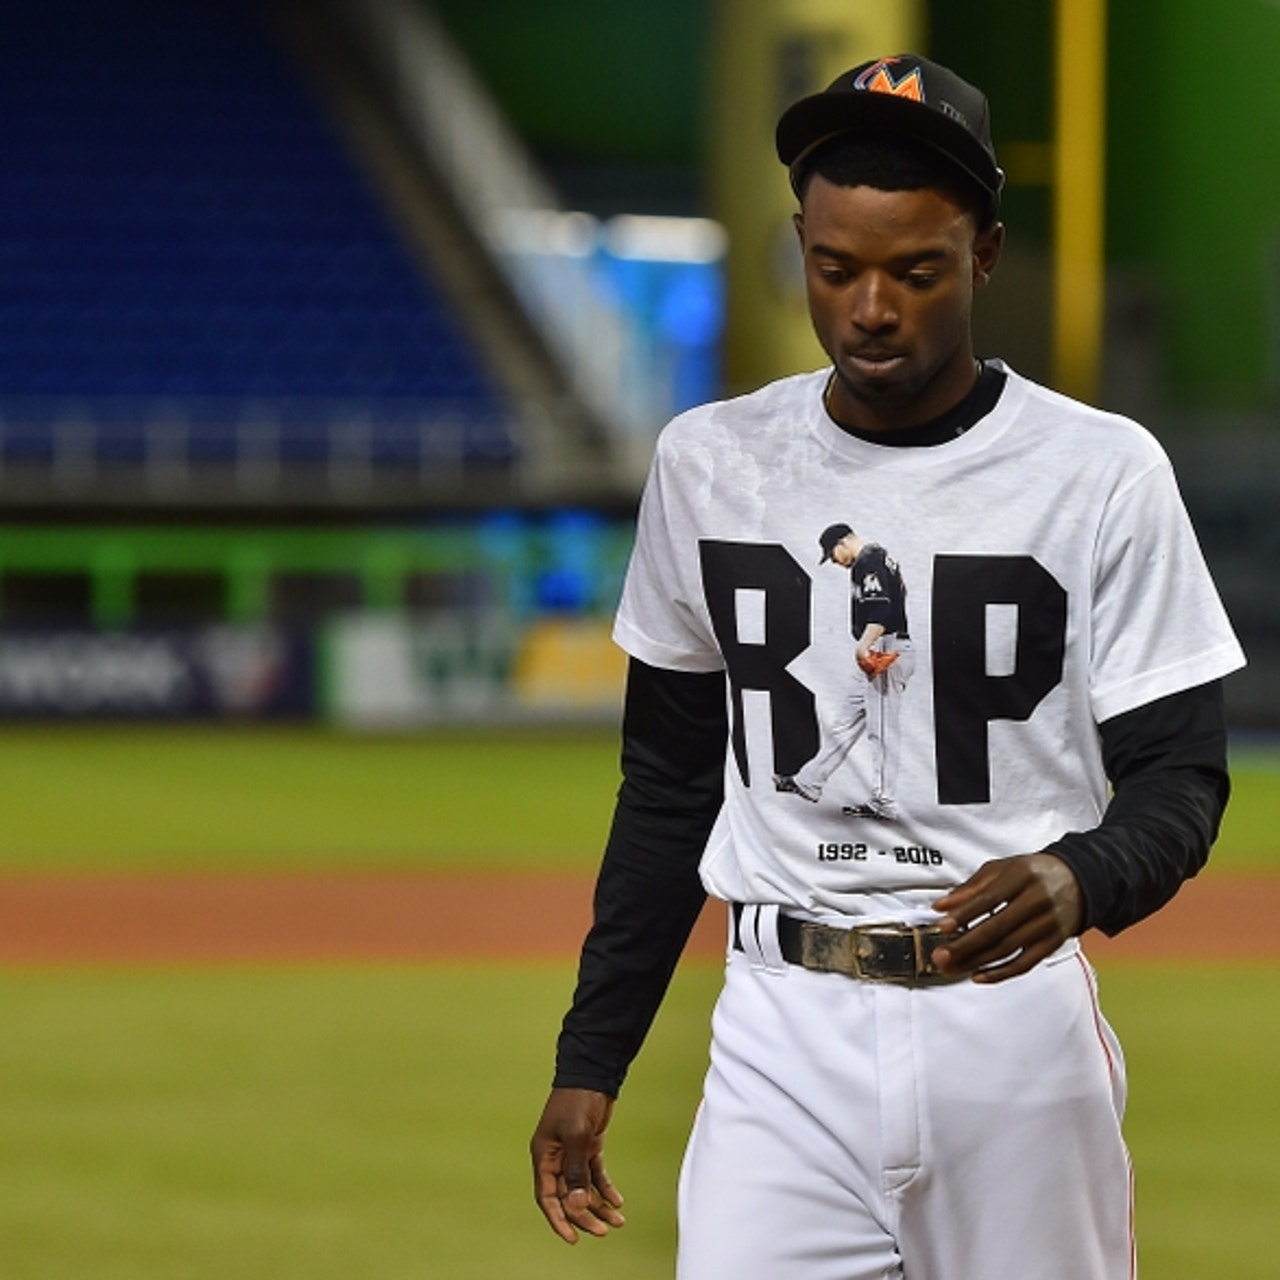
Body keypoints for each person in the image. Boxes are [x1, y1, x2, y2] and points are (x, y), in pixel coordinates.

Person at [530, 53, 1245, 1280]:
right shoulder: (709, 461)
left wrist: (1083, 875)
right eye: (834, 267)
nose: (869, 308)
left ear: (983, 256)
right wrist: (590, 1057)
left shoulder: (1099, 470)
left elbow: (1180, 777)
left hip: (1006, 1029)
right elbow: (664, 785)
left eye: (913, 271)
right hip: (778, 1024)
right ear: (796, 251)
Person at [774, 522, 914, 819]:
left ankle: (884, 803)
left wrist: (863, 646)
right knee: (844, 723)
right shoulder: (876, 557)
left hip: (885, 648)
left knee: (882, 731)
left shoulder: (869, 561)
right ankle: (808, 782)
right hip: (883, 646)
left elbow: (882, 610)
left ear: (843, 541)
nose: (834, 561)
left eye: (832, 554)